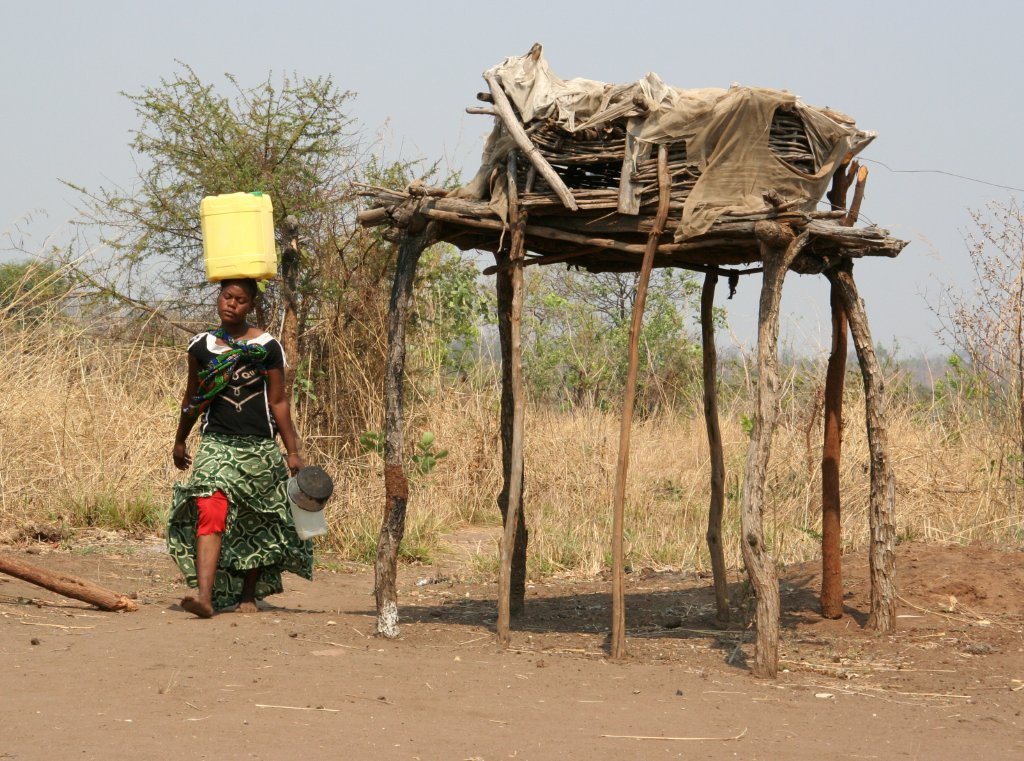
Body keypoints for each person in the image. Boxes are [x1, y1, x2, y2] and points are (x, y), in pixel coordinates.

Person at [166, 278, 312, 617]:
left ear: (251, 305)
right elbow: (193, 398)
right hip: (216, 444)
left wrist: (292, 451)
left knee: (255, 519)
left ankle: (249, 594)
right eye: (227, 296)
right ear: (219, 298)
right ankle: (204, 597)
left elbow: (278, 401)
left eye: (241, 300)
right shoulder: (201, 347)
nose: (232, 304)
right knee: (210, 508)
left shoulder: (266, 347)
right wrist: (180, 439)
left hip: (259, 447)